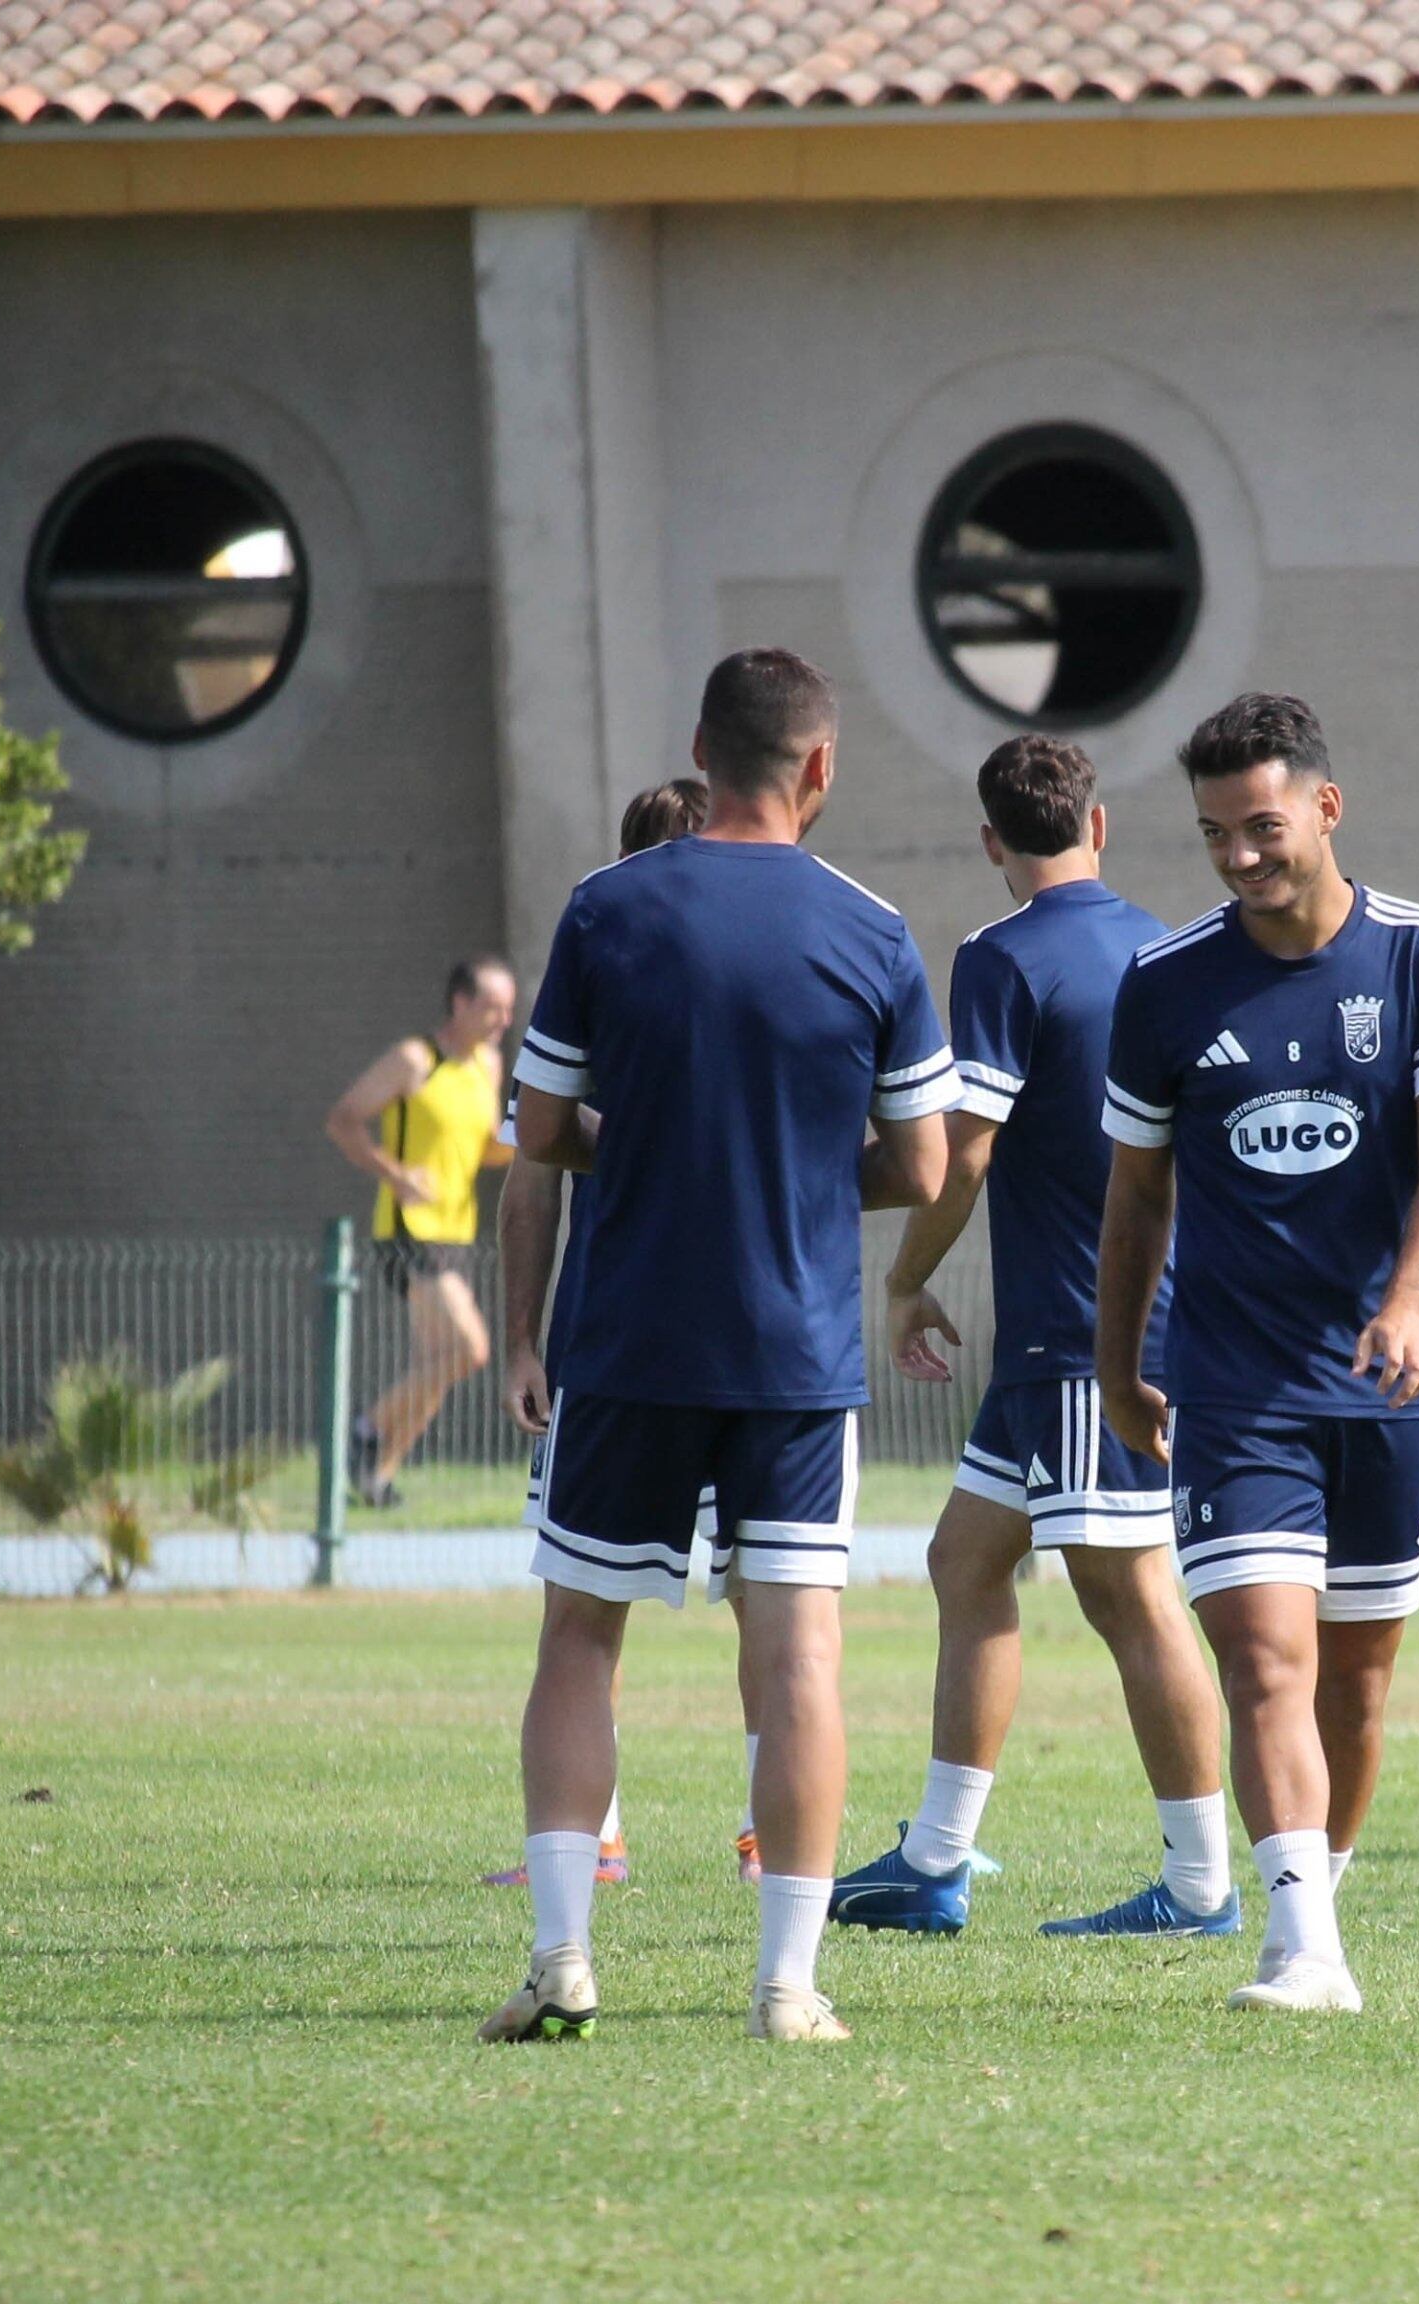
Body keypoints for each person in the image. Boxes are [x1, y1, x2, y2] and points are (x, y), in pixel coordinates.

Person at [482, 652, 950, 2047]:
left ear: (701, 748)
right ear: (821, 766)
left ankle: (562, 1959)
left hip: (626, 1336)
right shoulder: (873, 930)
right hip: (792, 1355)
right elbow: (925, 1165)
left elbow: (540, 1133)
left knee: (580, 1635)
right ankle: (788, 1987)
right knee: (799, 1656)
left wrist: (655, 1153)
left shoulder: (606, 907)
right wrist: (795, 1171)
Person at [1097, 692, 1419, 2014]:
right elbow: (1136, 1195)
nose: (1238, 856)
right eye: (1214, 834)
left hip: (1386, 1388)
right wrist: (1117, 1363)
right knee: (1264, 1660)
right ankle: (1304, 1946)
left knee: (1356, 1684)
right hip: (1235, 1387)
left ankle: (1313, 1908)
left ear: (1325, 809)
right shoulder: (1164, 984)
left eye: (1261, 828)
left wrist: (1408, 1306)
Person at [829, 736, 1237, 1941]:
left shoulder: (1000, 956)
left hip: (1083, 1335)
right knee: (964, 1560)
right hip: (1082, 1340)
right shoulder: (1162, 943)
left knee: (1134, 1596)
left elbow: (965, 1149)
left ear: (989, 844)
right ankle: (934, 1861)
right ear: (1097, 827)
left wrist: (906, 1278)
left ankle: (1202, 1887)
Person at [482, 777, 710, 1894]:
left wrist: (526, 1341)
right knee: (757, 1608)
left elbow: (534, 1169)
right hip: (659, 1342)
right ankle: (634, 1843)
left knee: (591, 1610)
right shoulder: (598, 970)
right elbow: (531, 1168)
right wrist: (524, 1340)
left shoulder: (619, 959)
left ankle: (612, 1848)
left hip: (638, 1345)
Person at [328, 955, 517, 1510]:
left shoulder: (487, 1064)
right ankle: (365, 1429)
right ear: (460, 1003)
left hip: (457, 1230)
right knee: (470, 1349)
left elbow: (485, 1147)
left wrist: (530, 1141)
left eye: (508, 1009)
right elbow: (344, 1119)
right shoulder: (415, 1059)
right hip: (408, 1228)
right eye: (492, 1007)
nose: (504, 1020)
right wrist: (395, 1174)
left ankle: (375, 1478)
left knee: (440, 1363)